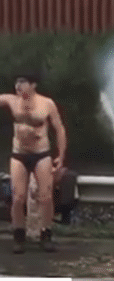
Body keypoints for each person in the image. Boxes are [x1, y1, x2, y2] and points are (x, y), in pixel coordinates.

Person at [0, 71, 67, 253]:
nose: (18, 87)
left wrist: (60, 156)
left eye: (23, 83)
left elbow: (59, 130)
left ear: (33, 85)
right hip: (19, 154)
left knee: (45, 196)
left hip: (41, 154)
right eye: (17, 83)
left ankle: (46, 234)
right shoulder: (12, 101)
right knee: (18, 197)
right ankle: (18, 236)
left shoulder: (46, 104)